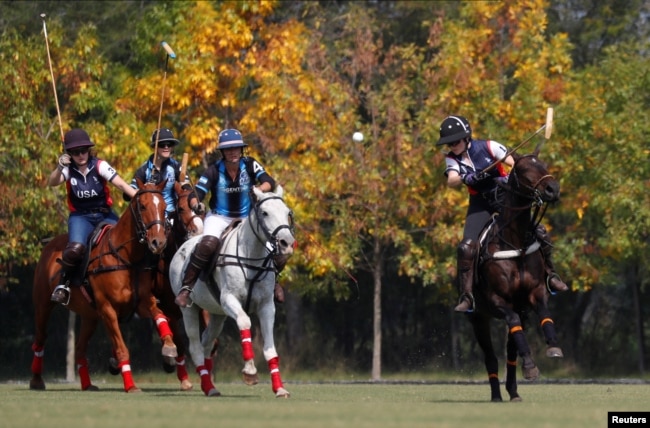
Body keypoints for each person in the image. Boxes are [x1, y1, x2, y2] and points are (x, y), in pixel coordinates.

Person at [437, 115, 568, 313]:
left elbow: (514, 165)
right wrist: (468, 176)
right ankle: (467, 296)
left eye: (455, 141)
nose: (453, 146)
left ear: (466, 137)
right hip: (480, 203)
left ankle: (551, 276)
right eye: (449, 143)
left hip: (503, 195)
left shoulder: (489, 146)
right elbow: (452, 180)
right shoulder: (452, 159)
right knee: (466, 247)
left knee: (539, 231)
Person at [175, 128, 281, 308]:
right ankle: (187, 287)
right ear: (222, 152)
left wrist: (259, 190)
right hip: (219, 217)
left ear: (241, 150)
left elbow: (268, 181)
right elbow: (196, 193)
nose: (233, 152)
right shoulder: (214, 171)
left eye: (236, 148)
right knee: (207, 244)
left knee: (275, 246)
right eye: (228, 149)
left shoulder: (250, 165)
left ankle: (275, 282)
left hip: (247, 217)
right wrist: (195, 205)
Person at [48, 128, 138, 304]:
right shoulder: (68, 170)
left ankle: (136, 283)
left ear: (89, 150)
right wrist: (60, 166)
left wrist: (140, 198)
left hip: (105, 214)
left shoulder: (100, 165)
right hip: (80, 217)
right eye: (75, 152)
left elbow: (120, 184)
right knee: (74, 249)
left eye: (84, 150)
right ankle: (63, 285)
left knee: (126, 241)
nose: (81, 155)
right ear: (70, 153)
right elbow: (52, 182)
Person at [127, 128, 202, 220]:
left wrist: (195, 204)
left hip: (172, 217)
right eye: (162, 145)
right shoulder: (144, 169)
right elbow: (128, 194)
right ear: (155, 147)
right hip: (150, 219)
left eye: (169, 144)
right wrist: (146, 188)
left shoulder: (176, 166)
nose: (166, 147)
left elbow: (187, 189)